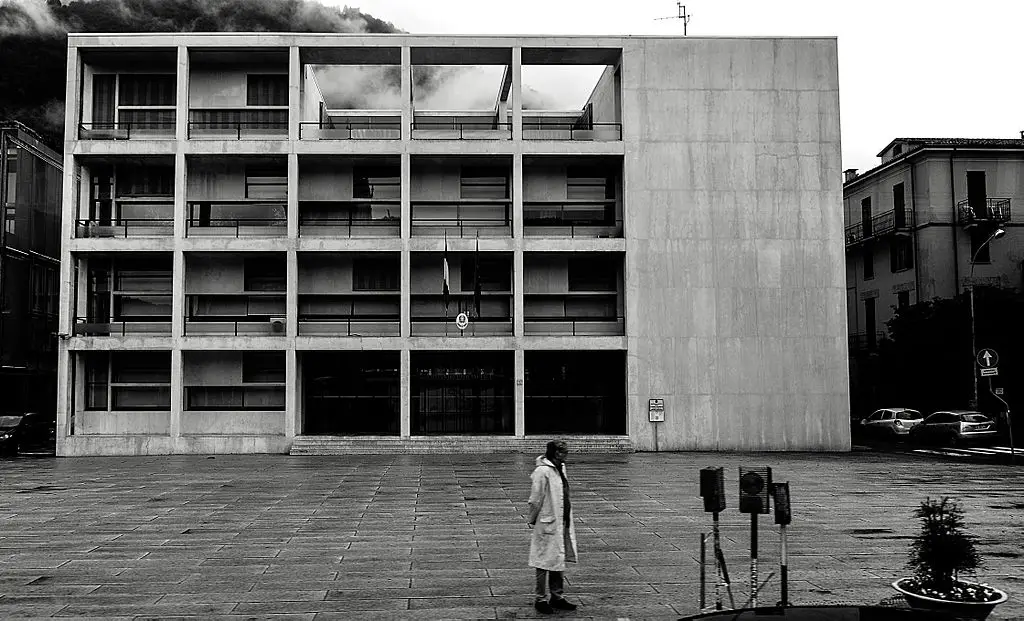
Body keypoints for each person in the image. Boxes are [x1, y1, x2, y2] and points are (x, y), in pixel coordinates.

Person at [527, 439, 578, 614]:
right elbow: (535, 499)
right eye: (564, 452)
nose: (566, 455)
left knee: (558, 559)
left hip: (561, 520)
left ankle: (557, 596)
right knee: (543, 561)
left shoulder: (561, 468)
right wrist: (533, 520)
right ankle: (540, 598)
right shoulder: (542, 471)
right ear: (556, 453)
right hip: (546, 522)